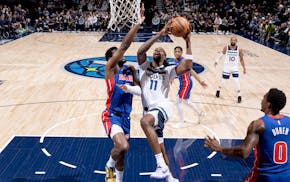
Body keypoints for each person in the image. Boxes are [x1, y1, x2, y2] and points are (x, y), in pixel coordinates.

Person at [136, 21, 193, 180]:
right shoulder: (145, 66)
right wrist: (159, 35)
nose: (157, 50)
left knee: (144, 122)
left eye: (161, 50)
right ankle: (170, 178)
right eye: (155, 49)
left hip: (162, 107)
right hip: (150, 110)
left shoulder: (168, 71)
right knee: (160, 147)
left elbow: (187, 66)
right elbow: (141, 51)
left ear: (165, 57)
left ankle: (161, 166)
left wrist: (188, 41)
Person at [205, 88, 290, 182]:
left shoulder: (259, 125)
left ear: (268, 104)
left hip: (264, 176)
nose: (261, 101)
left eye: (264, 98)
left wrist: (220, 148)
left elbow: (243, 152)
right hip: (286, 176)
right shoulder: (288, 122)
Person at [101, 6, 145, 182]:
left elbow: (142, 90)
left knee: (122, 156)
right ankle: (108, 166)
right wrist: (137, 23)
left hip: (126, 117)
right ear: (112, 58)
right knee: (123, 146)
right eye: (116, 53)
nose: (121, 53)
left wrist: (136, 76)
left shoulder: (129, 70)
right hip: (111, 115)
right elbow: (125, 45)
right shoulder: (110, 69)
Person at [172, 46, 207, 128]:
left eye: (178, 52)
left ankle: (181, 122)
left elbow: (192, 71)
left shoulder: (184, 61)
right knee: (185, 101)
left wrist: (200, 81)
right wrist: (172, 78)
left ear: (181, 52)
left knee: (178, 102)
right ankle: (200, 113)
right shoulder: (175, 60)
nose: (177, 53)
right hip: (182, 84)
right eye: (175, 51)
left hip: (186, 83)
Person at [215, 36, 246, 103]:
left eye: (234, 40)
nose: (233, 41)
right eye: (232, 40)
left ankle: (239, 95)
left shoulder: (239, 49)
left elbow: (241, 59)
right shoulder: (226, 47)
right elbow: (221, 54)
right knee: (223, 81)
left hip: (235, 67)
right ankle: (218, 90)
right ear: (230, 41)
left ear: (236, 41)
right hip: (227, 67)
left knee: (236, 81)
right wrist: (216, 61)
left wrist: (244, 68)